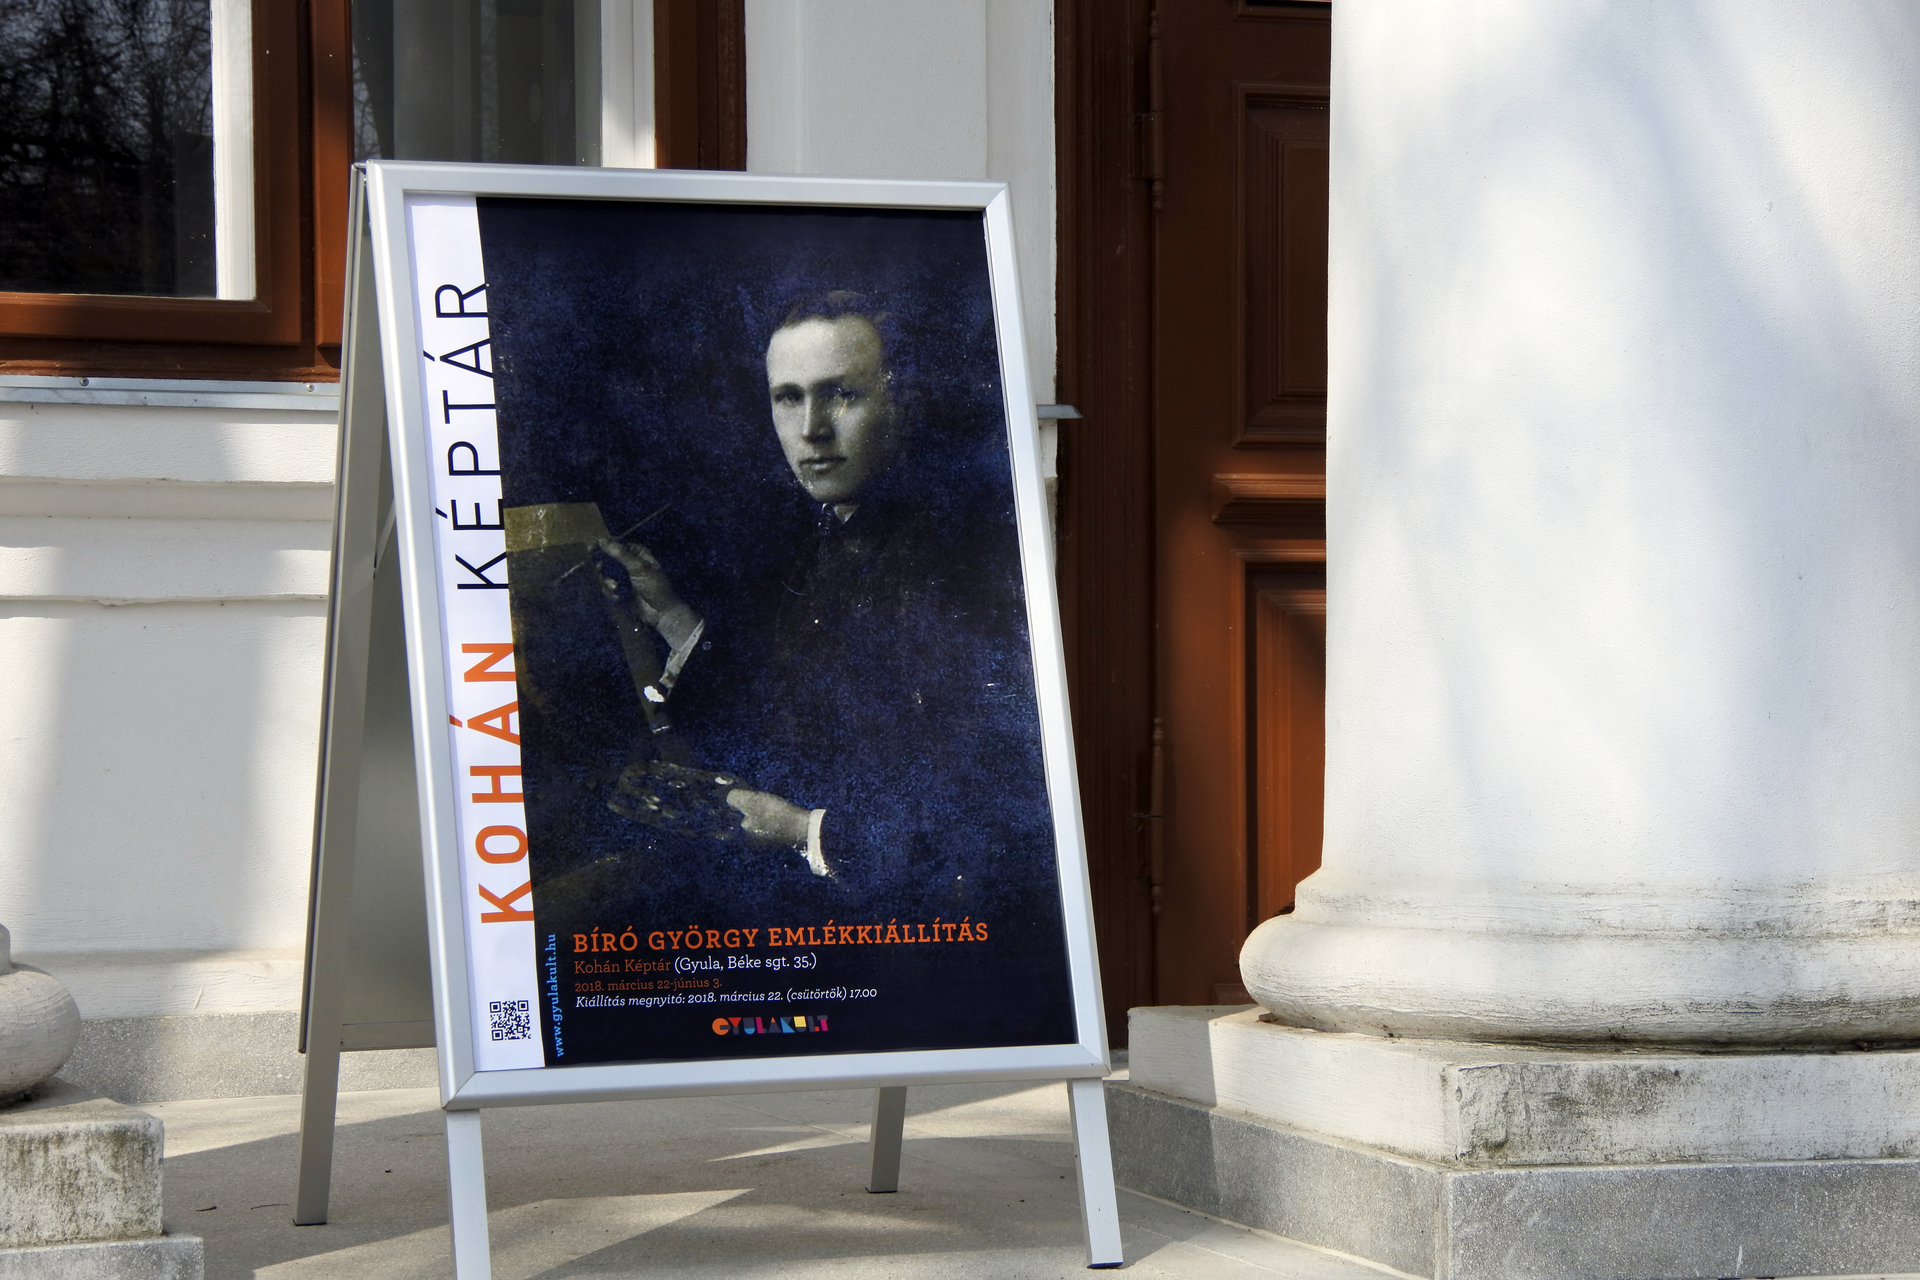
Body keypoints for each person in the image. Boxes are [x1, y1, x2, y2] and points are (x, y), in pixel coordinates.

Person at [593, 293, 1053, 909]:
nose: (811, 428)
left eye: (842, 394)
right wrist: (674, 619)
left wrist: (798, 829)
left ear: (903, 402)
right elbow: (802, 698)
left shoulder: (957, 560)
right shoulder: (832, 526)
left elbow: (983, 822)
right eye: (789, 398)